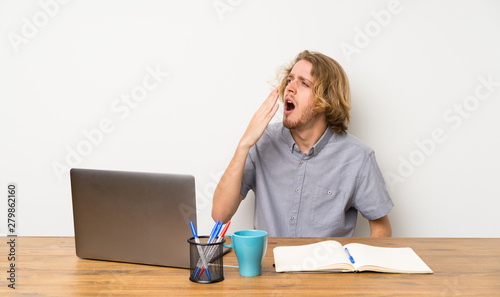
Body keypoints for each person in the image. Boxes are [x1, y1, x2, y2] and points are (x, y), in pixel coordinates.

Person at [212, 50, 393, 237]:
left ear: (326, 99)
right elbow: (220, 215)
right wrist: (244, 144)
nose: (290, 87)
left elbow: (381, 227)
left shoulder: (358, 158)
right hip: (269, 265)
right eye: (290, 80)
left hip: (325, 266)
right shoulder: (262, 142)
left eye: (304, 83)